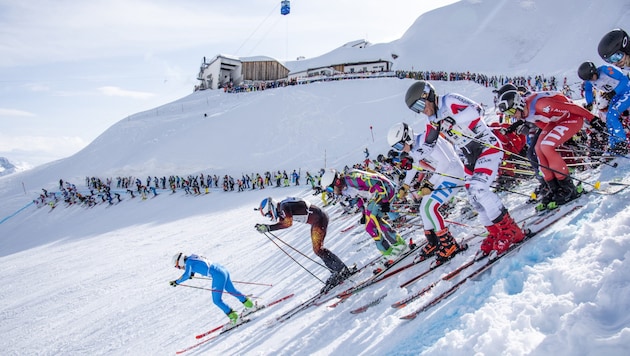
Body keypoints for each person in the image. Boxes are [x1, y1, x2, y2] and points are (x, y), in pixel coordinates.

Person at [404, 80, 525, 255]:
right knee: (473, 198)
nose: (422, 110)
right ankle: (495, 232)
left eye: (421, 104)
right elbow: (429, 144)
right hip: (469, 158)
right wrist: (412, 157)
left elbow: (477, 110)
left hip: (487, 147)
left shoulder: (449, 101)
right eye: (416, 109)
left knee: (479, 188)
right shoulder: (432, 120)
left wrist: (451, 120)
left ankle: (511, 231)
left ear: (428, 95)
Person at [495, 83, 606, 209]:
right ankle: (554, 187)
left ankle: (567, 187)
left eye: (511, 111)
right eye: (507, 113)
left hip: (572, 117)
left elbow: (571, 108)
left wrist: (592, 119)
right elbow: (542, 124)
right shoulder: (525, 113)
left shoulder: (540, 105)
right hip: (557, 121)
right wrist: (557, 137)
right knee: (538, 149)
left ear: (518, 104)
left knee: (547, 147)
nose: (511, 115)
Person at [386, 121, 467, 264]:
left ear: (407, 136)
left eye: (400, 145)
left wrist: (430, 183)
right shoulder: (414, 147)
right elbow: (414, 166)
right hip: (444, 177)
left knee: (431, 207)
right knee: (424, 207)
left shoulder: (425, 140)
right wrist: (405, 185)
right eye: (397, 148)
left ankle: (449, 244)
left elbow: (445, 162)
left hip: (454, 175)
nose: (401, 150)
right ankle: (434, 242)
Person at [254, 197, 353, 293]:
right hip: (318, 219)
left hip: (319, 219)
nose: (270, 217)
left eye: (268, 215)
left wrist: (268, 228)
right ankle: (338, 270)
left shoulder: (284, 206)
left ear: (271, 207)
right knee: (318, 249)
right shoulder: (283, 206)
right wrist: (266, 227)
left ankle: (340, 270)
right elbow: (284, 221)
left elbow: (288, 223)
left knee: (318, 249)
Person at [320, 168, 408, 272]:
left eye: (330, 189)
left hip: (385, 189)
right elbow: (357, 199)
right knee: (372, 224)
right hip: (377, 195)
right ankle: (389, 251)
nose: (332, 192)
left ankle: (398, 245)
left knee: (372, 222)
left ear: (337, 182)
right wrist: (363, 214)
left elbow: (378, 182)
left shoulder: (352, 179)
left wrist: (385, 202)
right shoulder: (344, 189)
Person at [169, 253, 253, 325]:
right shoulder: (192, 257)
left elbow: (186, 275)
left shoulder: (188, 263)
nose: (179, 268)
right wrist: (192, 272)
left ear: (179, 261)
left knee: (217, 300)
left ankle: (235, 318)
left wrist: (176, 282)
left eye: (177, 266)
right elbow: (199, 265)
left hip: (217, 275)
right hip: (223, 271)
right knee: (232, 291)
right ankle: (250, 305)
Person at [578, 61, 630, 154]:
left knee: (612, 116)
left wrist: (614, 92)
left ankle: (622, 142)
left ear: (594, 71)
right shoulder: (589, 80)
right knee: (608, 119)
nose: (591, 80)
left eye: (591, 77)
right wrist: (589, 102)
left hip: (626, 92)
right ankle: (613, 144)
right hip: (616, 96)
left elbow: (624, 80)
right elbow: (588, 90)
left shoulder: (606, 70)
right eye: (588, 79)